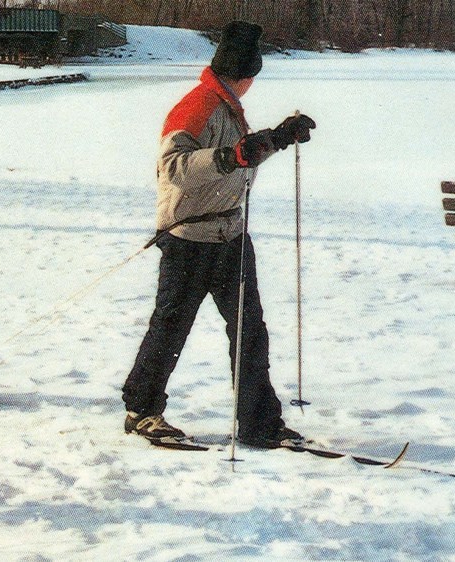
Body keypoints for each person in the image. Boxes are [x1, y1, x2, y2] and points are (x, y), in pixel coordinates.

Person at [121, 21, 317, 449]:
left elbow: (237, 158)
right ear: (247, 73)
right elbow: (174, 167)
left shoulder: (227, 106)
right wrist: (232, 156)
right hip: (189, 238)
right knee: (171, 328)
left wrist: (277, 138)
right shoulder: (198, 105)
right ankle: (141, 410)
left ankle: (259, 423)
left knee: (249, 331)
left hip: (230, 236)